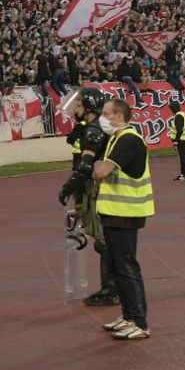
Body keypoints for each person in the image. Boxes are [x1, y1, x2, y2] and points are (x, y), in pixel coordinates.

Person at [91, 95, 154, 339]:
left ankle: (139, 321)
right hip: (115, 211)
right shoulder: (116, 138)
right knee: (118, 266)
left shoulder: (128, 139)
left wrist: (96, 164)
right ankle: (128, 315)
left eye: (106, 114)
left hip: (126, 212)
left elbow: (101, 172)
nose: (102, 119)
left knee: (126, 266)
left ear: (119, 116)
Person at [58, 89, 116, 308]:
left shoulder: (93, 129)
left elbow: (85, 165)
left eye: (80, 105)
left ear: (90, 107)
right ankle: (111, 288)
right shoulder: (97, 127)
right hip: (98, 186)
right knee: (103, 239)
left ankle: (111, 289)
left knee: (103, 240)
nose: (77, 109)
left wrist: (67, 188)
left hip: (94, 186)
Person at [170, 104, 185, 181]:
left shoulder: (178, 117)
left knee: (182, 157)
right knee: (183, 156)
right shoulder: (182, 115)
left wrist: (176, 140)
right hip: (182, 139)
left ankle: (184, 174)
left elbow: (179, 130)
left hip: (180, 140)